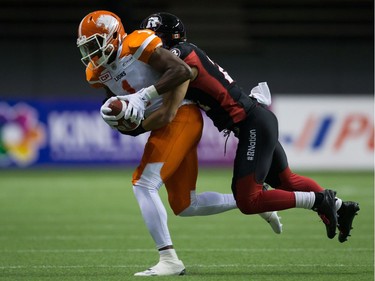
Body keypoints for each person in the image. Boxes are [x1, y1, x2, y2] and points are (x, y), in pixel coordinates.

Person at [116, 12, 360, 244]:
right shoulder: (181, 54)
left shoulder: (180, 58)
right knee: (288, 181)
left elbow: (173, 96)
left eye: (150, 36)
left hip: (251, 123)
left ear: (163, 37)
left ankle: (319, 200)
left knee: (248, 200)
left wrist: (138, 103)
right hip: (257, 121)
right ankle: (341, 207)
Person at [77, 10, 282, 277]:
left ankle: (169, 258)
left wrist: (142, 97)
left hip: (181, 114)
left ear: (113, 37)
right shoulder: (96, 73)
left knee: (143, 184)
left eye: (95, 45)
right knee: (185, 205)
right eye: (87, 48)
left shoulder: (138, 42)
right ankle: (257, 198)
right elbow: (132, 123)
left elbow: (181, 70)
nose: (92, 54)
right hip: (164, 123)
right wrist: (122, 120)